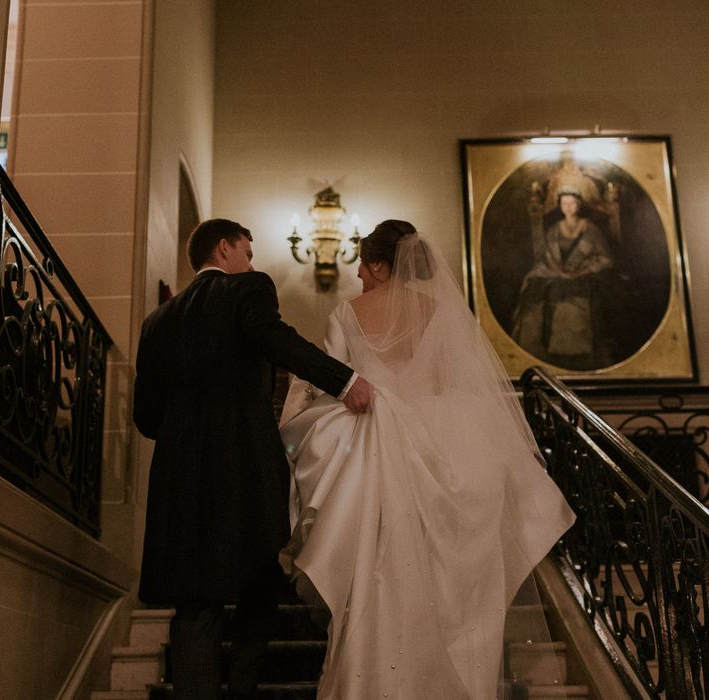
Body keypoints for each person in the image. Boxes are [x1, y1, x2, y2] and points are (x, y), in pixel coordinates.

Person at [279, 220, 576, 699]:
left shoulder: (347, 313)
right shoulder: (440, 311)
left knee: (376, 571)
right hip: (445, 445)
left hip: (373, 450)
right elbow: (450, 379)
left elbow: (335, 385)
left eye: (361, 263)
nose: (357, 273)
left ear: (377, 263)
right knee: (445, 573)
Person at [134, 218, 373, 699]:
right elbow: (276, 339)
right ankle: (241, 689)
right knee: (261, 576)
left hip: (178, 475)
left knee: (194, 601)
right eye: (247, 250)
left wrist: (185, 436)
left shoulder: (156, 321)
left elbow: (145, 415)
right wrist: (344, 381)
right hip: (243, 463)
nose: (251, 260)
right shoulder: (247, 289)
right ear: (224, 249)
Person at [510, 188, 615, 370]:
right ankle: (545, 350)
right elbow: (547, 256)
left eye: (572, 203)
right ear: (560, 205)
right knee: (534, 291)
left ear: (579, 205)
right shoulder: (554, 230)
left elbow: (606, 259)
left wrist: (584, 270)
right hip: (557, 275)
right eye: (564, 203)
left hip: (585, 278)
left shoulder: (590, 229)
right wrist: (558, 270)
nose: (568, 207)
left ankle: (582, 353)